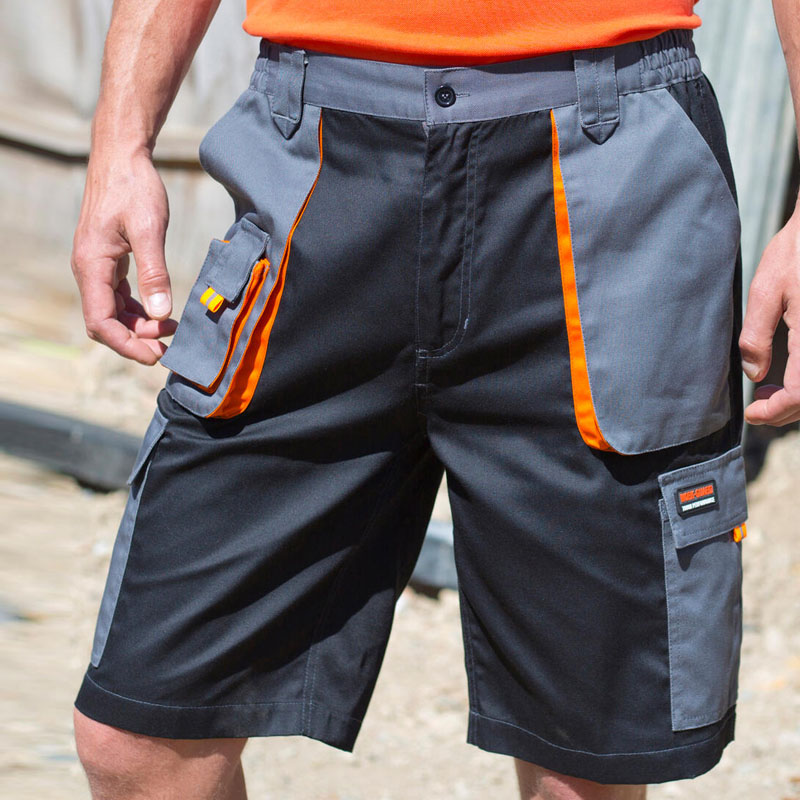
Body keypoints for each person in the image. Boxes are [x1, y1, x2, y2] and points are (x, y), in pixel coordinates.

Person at [69, 1, 800, 798]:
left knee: (586, 761)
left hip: (610, 167)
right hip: (313, 165)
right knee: (137, 733)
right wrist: (121, 142)